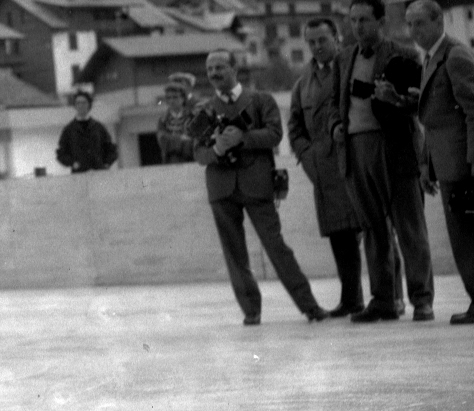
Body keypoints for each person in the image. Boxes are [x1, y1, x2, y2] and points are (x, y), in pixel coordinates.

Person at [194, 49, 327, 326]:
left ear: (235, 69)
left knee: (276, 247)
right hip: (221, 189)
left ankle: (309, 306)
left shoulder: (260, 100)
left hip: (257, 185)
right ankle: (251, 311)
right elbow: (199, 154)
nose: (214, 74)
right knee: (234, 254)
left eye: (220, 67)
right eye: (210, 70)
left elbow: (275, 135)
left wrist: (242, 138)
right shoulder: (204, 110)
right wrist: (217, 148)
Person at [405, 0, 474, 324]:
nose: (414, 31)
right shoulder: (434, 58)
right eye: (409, 24)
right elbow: (432, 120)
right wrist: (426, 165)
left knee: (472, 237)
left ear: (438, 21)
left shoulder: (455, 55)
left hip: (463, 163)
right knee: (464, 236)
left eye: (419, 23)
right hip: (448, 161)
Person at [339, 0, 434, 323]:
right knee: (373, 229)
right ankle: (383, 299)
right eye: (353, 20)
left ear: (381, 22)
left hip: (394, 148)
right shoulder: (345, 57)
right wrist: (338, 125)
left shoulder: (405, 54)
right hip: (355, 149)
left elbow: (423, 105)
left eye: (364, 20)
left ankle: (421, 299)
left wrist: (395, 99)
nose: (357, 26)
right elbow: (337, 104)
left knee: (409, 228)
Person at [286, 17, 369, 318]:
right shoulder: (302, 84)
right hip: (323, 169)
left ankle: (388, 297)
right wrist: (307, 157)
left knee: (373, 232)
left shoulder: (352, 67)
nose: (317, 47)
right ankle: (351, 299)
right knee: (340, 237)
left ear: (337, 37)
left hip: (356, 161)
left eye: (322, 40)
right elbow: (294, 127)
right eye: (311, 42)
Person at [55, 91, 117, 173]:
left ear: (89, 105)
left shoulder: (99, 127)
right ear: (75, 106)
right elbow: (61, 153)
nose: (81, 105)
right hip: (79, 175)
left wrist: (106, 164)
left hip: (99, 173)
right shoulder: (69, 130)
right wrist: (72, 163)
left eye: (84, 102)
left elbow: (111, 149)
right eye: (78, 103)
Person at [156, 78, 198, 164]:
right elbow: (163, 142)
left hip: (191, 162)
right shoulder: (163, 120)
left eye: (175, 97)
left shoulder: (192, 117)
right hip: (170, 163)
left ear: (183, 98)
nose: (171, 101)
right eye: (169, 98)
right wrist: (182, 139)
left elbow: (195, 143)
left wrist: (173, 141)